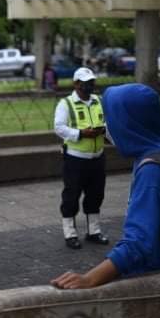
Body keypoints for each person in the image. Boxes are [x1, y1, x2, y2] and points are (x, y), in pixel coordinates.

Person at [51, 83, 160, 289]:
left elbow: (139, 243)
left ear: (128, 123)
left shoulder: (153, 171)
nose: (107, 126)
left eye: (111, 119)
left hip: (158, 276)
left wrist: (90, 278)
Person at [54, 67, 109, 249]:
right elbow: (59, 127)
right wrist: (81, 133)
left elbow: (108, 123)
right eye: (85, 83)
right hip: (75, 159)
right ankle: (70, 234)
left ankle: (94, 231)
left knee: (96, 195)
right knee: (71, 196)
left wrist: (104, 131)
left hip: (97, 157)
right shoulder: (66, 103)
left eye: (91, 82)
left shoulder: (98, 101)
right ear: (76, 84)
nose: (89, 86)